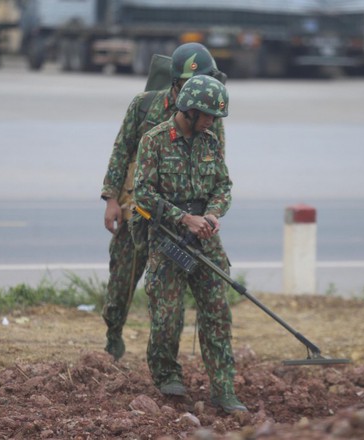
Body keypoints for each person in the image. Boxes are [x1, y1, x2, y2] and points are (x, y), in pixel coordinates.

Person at [100, 43, 226, 361]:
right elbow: (122, 150)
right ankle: (114, 333)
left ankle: (166, 358)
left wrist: (210, 212)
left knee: (174, 284)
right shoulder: (145, 106)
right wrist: (111, 199)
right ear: (175, 83)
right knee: (123, 277)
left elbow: (216, 166)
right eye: (190, 84)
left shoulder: (210, 116)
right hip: (139, 207)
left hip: (183, 219)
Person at [133, 75, 247, 413]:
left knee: (217, 313)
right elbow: (143, 195)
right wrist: (184, 218)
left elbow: (224, 186)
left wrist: (212, 214)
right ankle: (166, 371)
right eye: (208, 115)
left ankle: (224, 389)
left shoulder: (209, 142)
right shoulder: (154, 141)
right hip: (170, 238)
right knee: (168, 315)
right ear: (190, 110)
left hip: (205, 238)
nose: (212, 122)